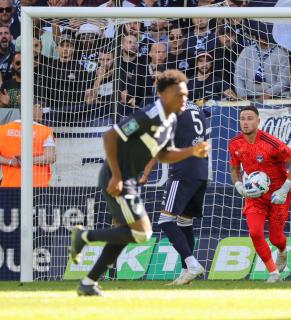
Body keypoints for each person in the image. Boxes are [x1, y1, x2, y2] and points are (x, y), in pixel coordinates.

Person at [68, 70, 210, 296]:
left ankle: (88, 282)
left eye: (186, 94)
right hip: (117, 177)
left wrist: (191, 150)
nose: (184, 99)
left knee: (128, 232)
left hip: (128, 178)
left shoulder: (171, 119)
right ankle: (85, 236)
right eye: (179, 95)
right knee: (142, 233)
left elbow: (164, 155)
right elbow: (111, 136)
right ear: (163, 95)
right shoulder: (150, 115)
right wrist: (115, 175)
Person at [228, 105, 291, 283]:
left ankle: (282, 251)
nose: (246, 122)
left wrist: (284, 190)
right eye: (243, 119)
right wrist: (238, 184)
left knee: (276, 238)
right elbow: (234, 168)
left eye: (250, 118)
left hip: (278, 195)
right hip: (255, 196)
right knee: (255, 232)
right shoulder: (235, 143)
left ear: (258, 121)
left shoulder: (272, 143)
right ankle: (273, 273)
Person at [140, 101, 208, 285]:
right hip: (201, 170)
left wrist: (145, 174)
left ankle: (192, 264)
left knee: (165, 220)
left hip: (183, 171)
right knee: (185, 222)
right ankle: (187, 272)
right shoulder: (197, 108)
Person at [0, 101, 56, 187]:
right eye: (39, 107)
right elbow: (51, 157)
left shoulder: (2, 130)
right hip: (38, 187)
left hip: (9, 186)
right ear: (29, 108)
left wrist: (10, 162)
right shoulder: (45, 131)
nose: (42, 111)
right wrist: (27, 160)